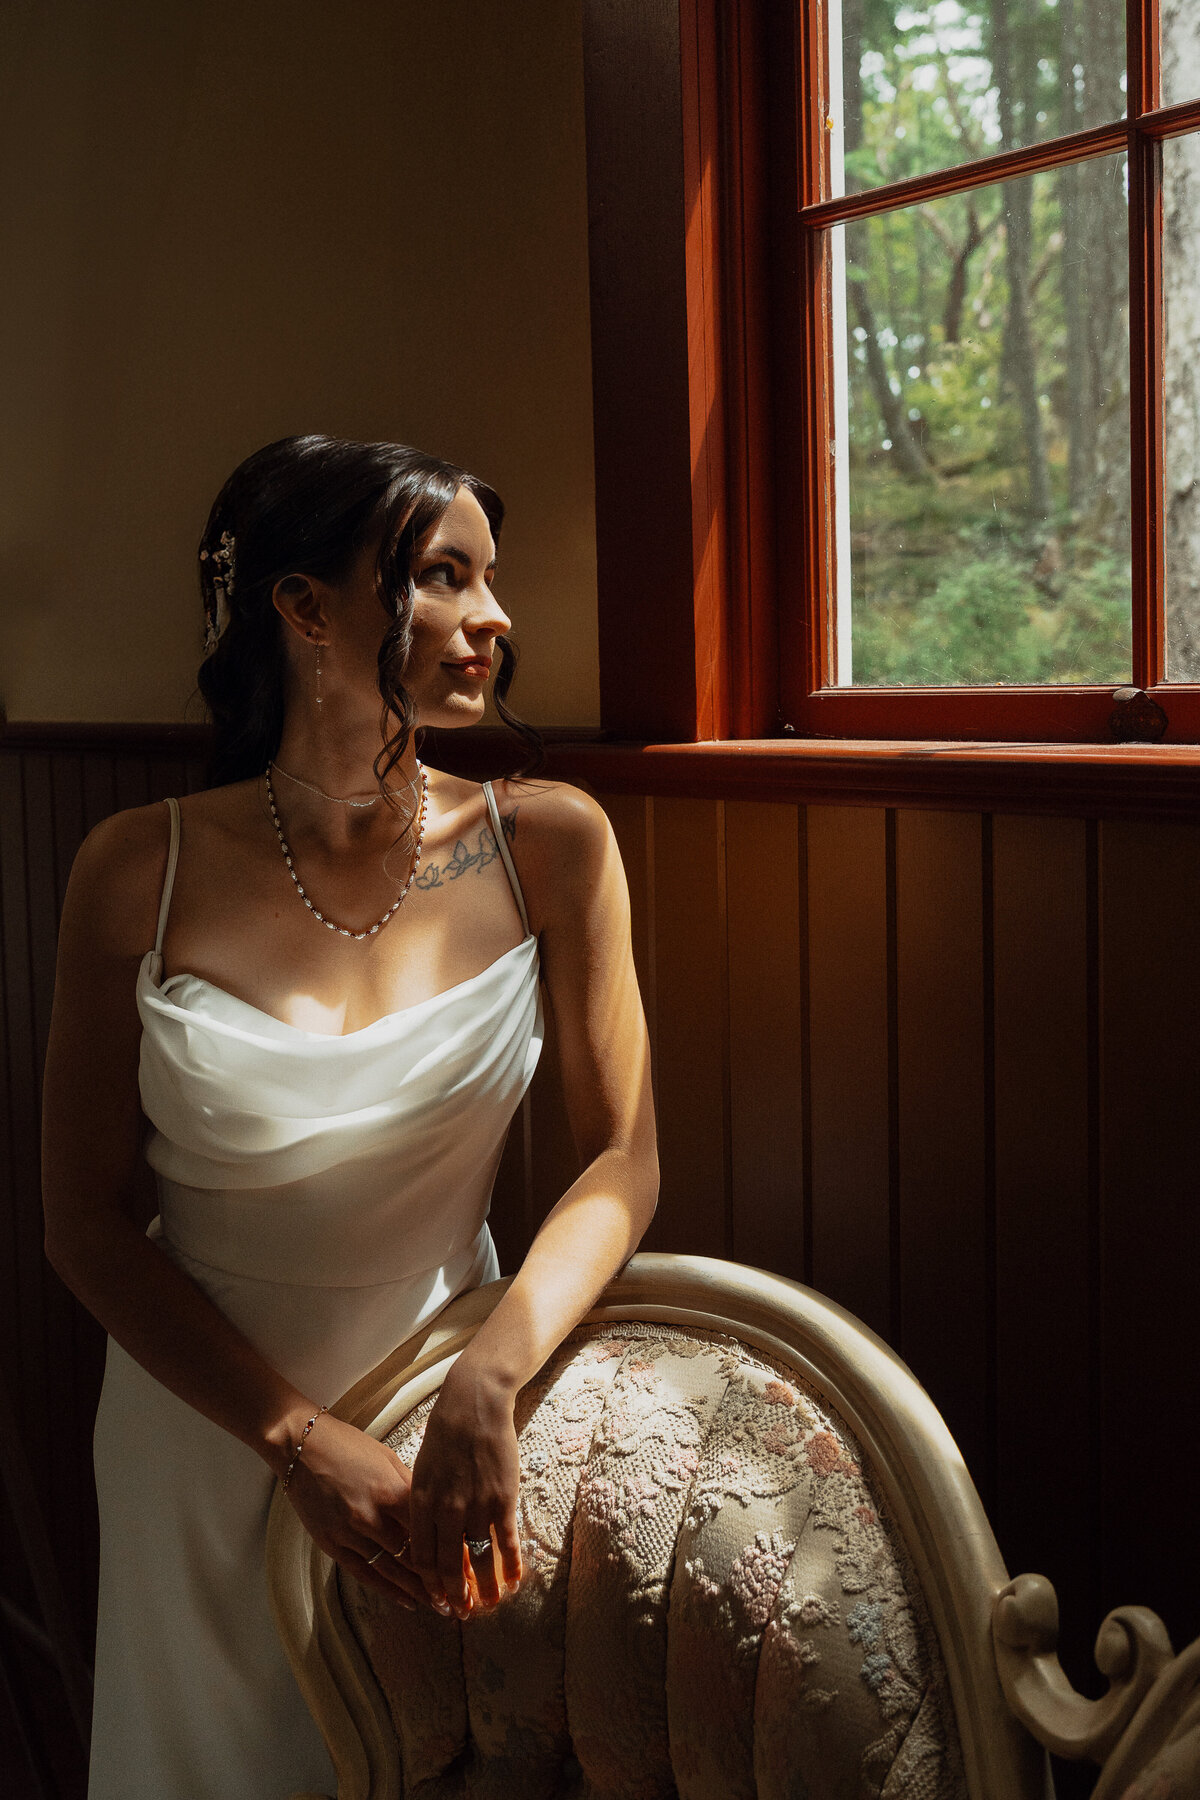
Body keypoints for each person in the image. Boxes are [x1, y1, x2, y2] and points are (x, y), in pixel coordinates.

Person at [40, 434, 659, 1799]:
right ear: (305, 608)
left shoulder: (551, 842)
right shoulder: (137, 868)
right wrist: (292, 1437)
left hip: (449, 1418)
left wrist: (494, 1378)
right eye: (444, 578)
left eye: (490, 582)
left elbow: (623, 1158)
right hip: (200, 1430)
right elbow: (82, 1221)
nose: (493, 618)